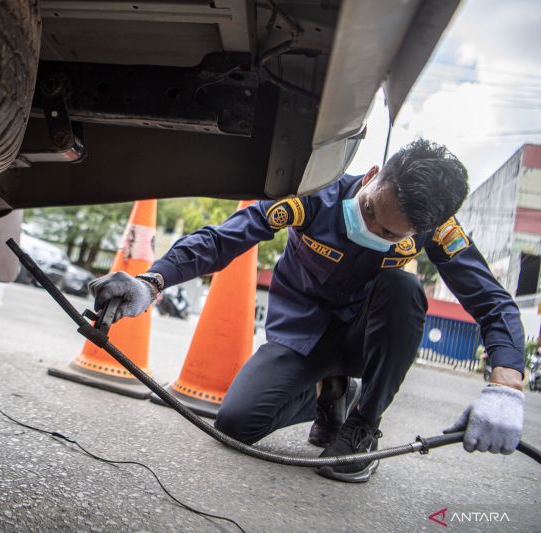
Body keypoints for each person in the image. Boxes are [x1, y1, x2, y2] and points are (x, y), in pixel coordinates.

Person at [89, 140, 526, 483]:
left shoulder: (438, 230)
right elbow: (228, 237)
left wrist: (506, 385)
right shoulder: (315, 195)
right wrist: (153, 280)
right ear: (373, 176)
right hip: (302, 336)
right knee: (236, 423)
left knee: (403, 287)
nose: (372, 230)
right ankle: (327, 393)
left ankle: (362, 423)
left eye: (390, 233)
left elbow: (491, 300)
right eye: (371, 211)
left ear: (421, 229)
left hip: (363, 340)